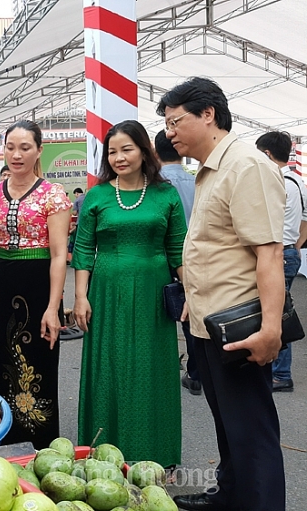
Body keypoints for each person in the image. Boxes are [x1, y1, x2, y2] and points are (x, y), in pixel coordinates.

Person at [158, 77, 285, 511]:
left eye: (176, 121)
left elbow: (268, 252)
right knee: (229, 427)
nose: (170, 132)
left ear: (208, 114)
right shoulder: (212, 169)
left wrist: (271, 330)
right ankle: (230, 496)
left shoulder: (246, 165)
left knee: (252, 433)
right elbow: (216, 248)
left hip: (241, 326)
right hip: (209, 323)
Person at [72, 120, 186, 467]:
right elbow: (83, 249)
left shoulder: (166, 194)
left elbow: (178, 248)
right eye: (112, 151)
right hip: (105, 291)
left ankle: (156, 454)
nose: (119, 157)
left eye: (127, 149)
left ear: (144, 150)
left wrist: (191, 294)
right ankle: (103, 453)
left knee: (152, 369)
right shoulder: (97, 195)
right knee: (108, 366)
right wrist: (80, 296)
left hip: (153, 293)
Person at [0, 120, 71, 449]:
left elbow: (60, 254)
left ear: (39, 151)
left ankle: (44, 440)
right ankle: (8, 431)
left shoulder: (54, 195)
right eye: (10, 147)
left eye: (25, 148)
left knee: (42, 360)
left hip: (39, 287)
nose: (16, 155)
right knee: (3, 358)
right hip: (2, 285)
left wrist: (53, 307)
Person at [256, 131, 307, 393]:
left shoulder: (274, 182)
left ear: (265, 154)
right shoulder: (298, 183)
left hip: (277, 254)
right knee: (281, 309)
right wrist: (294, 248)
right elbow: (305, 224)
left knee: (277, 313)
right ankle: (277, 370)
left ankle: (282, 373)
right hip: (290, 253)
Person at [154, 130, 201, 396]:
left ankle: (159, 369)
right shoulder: (197, 182)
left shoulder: (154, 184)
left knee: (156, 317)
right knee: (190, 316)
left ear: (155, 153)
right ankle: (196, 373)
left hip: (158, 259)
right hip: (192, 257)